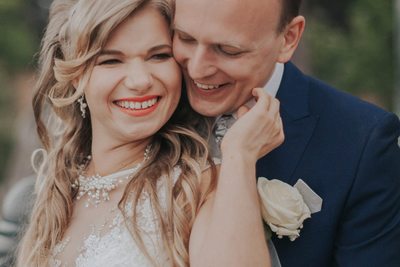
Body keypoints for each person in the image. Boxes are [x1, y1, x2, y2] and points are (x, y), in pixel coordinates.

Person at [16, 0, 283, 266]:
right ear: (76, 75)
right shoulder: (57, 187)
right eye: (111, 60)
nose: (140, 80)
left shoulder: (198, 187)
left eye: (158, 56)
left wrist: (240, 157)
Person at [172, 0, 400, 266]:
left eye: (228, 50)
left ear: (288, 39)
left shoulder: (363, 141)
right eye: (185, 38)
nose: (197, 68)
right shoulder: (146, 106)